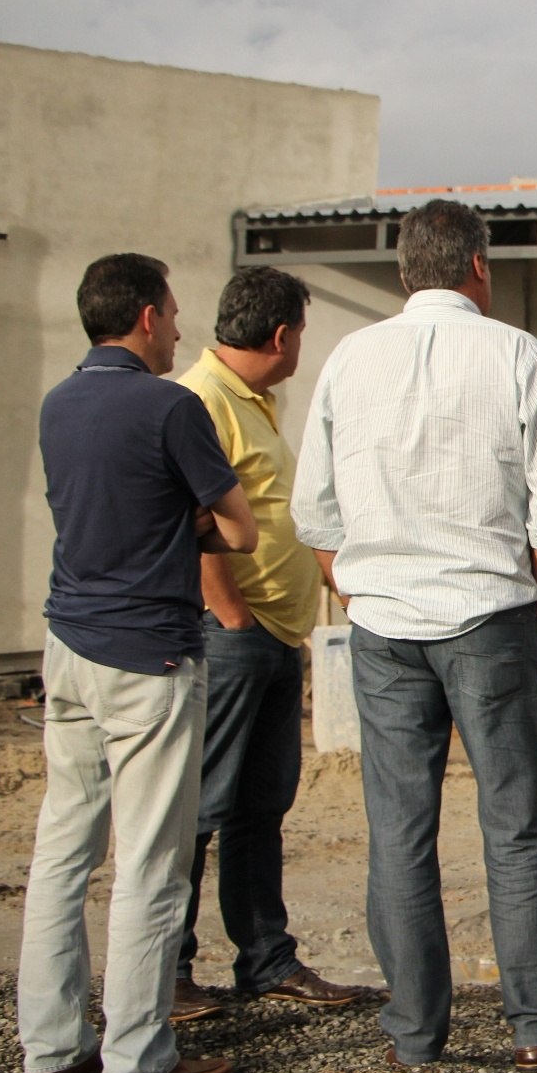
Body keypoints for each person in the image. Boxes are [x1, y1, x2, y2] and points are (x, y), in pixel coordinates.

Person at [291, 200, 537, 1073]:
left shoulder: (348, 358)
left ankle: (415, 1036)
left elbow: (314, 514)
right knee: (515, 825)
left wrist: (360, 587)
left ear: (407, 271)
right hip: (490, 616)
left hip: (382, 624)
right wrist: (534, 596)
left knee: (398, 831)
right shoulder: (515, 352)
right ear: (477, 265)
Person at [19, 253, 257, 1073]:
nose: (183, 327)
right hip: (149, 656)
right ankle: (138, 1061)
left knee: (62, 855)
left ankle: (49, 1049)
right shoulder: (170, 406)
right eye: (175, 311)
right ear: (148, 318)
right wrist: (189, 519)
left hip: (68, 649)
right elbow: (243, 531)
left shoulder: (58, 403)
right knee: (152, 866)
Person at [170, 267, 375, 1021]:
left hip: (271, 638)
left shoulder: (251, 403)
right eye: (301, 336)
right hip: (235, 638)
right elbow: (187, 519)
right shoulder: (200, 401)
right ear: (282, 335)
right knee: (201, 807)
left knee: (259, 806)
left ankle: (266, 961)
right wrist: (229, 616)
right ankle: (171, 972)